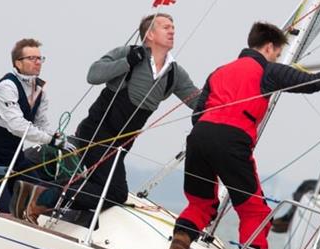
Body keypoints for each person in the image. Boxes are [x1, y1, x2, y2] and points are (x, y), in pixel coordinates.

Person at [162, 22, 320, 249]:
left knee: (200, 204)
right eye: (277, 53)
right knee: (255, 212)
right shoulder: (267, 70)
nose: (276, 58)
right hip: (232, 140)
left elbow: (198, 112)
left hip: (199, 137)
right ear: (269, 47)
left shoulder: (219, 71)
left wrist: (211, 133)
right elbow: (313, 83)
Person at [16, 13, 200, 222]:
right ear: (149, 34)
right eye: (166, 27)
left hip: (119, 146)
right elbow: (93, 75)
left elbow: (197, 101)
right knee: (115, 193)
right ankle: (42, 198)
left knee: (103, 188)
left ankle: (41, 196)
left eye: (173, 27)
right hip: (96, 133)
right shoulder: (128, 53)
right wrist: (127, 62)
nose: (172, 30)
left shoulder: (175, 73)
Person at [0, 38, 73, 213]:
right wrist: (50, 140)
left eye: (40, 58)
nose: (38, 62)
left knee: (45, 197)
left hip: (15, 159)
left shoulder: (39, 91)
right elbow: (17, 125)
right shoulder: (6, 87)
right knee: (4, 210)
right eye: (32, 58)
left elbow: (41, 123)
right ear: (18, 62)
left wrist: (57, 139)